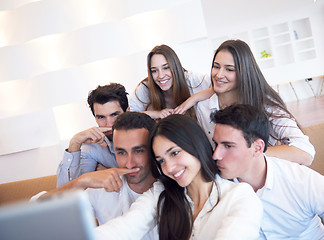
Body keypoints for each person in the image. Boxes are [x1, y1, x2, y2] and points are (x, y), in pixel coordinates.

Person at [96, 114, 262, 240]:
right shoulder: (162, 194)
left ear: (195, 145)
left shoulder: (240, 196)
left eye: (174, 153)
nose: (169, 168)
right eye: (161, 161)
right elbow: (125, 227)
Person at [175, 39, 315, 165]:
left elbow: (305, 152)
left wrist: (247, 156)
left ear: (244, 73)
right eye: (216, 66)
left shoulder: (265, 104)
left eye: (229, 69)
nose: (219, 74)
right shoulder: (203, 107)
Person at [34, 112, 158, 240]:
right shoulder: (103, 188)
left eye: (138, 151)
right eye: (121, 152)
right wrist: (82, 181)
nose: (129, 163)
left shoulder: (169, 187)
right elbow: (37, 210)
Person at [211, 104, 324, 239]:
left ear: (258, 148)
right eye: (216, 144)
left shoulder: (301, 181)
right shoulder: (215, 191)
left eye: (228, 146)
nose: (216, 155)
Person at [56, 83, 129, 187]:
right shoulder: (92, 148)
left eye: (114, 115)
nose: (109, 124)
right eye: (101, 117)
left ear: (128, 112)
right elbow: (66, 192)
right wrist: (75, 143)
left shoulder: (147, 136)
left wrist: (111, 172)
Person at [129, 44, 210, 120]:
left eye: (166, 68)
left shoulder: (190, 78)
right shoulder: (146, 87)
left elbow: (219, 88)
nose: (160, 75)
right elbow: (128, 116)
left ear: (175, 67)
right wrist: (156, 114)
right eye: (154, 70)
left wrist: (191, 100)